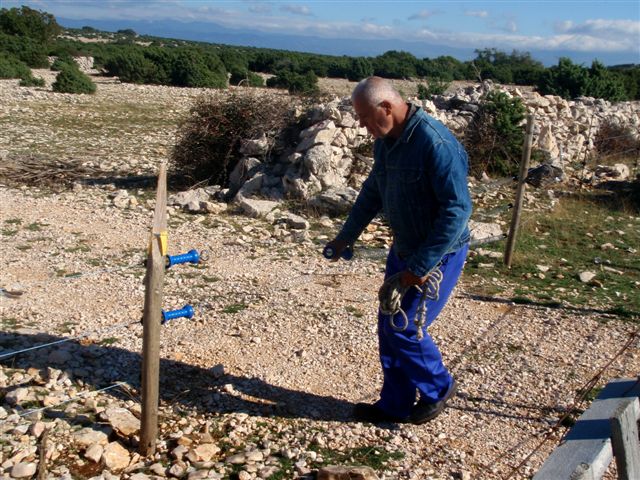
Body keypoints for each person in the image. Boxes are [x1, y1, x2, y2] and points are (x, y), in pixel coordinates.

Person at [325, 76, 472, 424]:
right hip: (403, 248)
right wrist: (347, 236)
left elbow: (457, 210)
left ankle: (439, 387)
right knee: (388, 328)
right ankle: (395, 405)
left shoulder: (436, 144)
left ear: (386, 108)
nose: (361, 126)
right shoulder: (386, 142)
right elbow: (373, 192)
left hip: (437, 254)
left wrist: (420, 265)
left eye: (363, 117)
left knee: (403, 329)